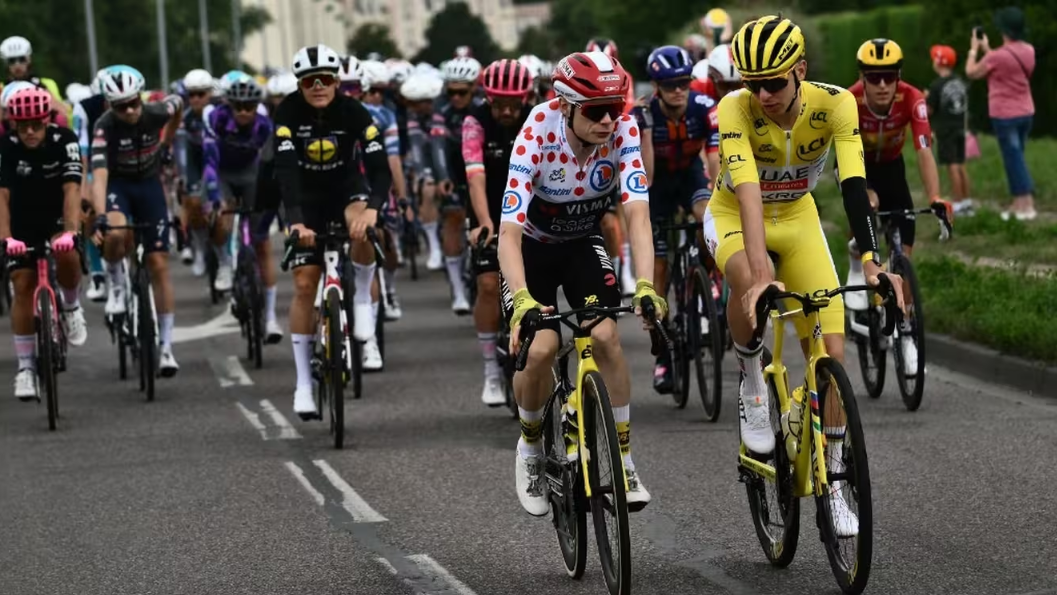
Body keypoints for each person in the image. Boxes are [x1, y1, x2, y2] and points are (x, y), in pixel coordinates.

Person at [704, 16, 906, 536]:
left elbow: (855, 184)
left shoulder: (836, 104)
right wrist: (761, 271)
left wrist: (871, 262)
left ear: (800, 69)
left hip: (798, 217)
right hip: (732, 215)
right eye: (753, 83)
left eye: (774, 82)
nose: (763, 95)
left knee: (832, 354)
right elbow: (747, 192)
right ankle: (750, 378)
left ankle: (836, 484)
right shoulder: (734, 108)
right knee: (748, 276)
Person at [500, 51, 665, 516]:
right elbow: (507, 233)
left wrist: (646, 283)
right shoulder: (537, 129)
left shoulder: (624, 130)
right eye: (596, 111)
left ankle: (625, 460)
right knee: (541, 349)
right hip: (531, 248)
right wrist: (522, 301)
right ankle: (531, 445)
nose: (610, 120)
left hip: (582, 241)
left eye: (617, 108)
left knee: (607, 335)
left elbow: (636, 213)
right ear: (566, 105)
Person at [273, 44, 392, 416]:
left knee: (361, 228)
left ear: (337, 81)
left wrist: (372, 210)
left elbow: (380, 168)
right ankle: (303, 386)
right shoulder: (288, 111)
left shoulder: (353, 111)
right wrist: (295, 220)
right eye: (310, 81)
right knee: (305, 284)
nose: (318, 86)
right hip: (304, 199)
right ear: (300, 85)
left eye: (325, 79)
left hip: (346, 190)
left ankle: (360, 302)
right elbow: (286, 170)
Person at [635, 45, 718, 393]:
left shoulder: (704, 108)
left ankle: (707, 275)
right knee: (657, 275)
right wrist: (644, 128)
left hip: (689, 177)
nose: (678, 90)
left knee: (709, 216)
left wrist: (714, 191)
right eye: (669, 85)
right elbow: (647, 176)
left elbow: (714, 160)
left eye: (683, 82)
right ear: (657, 86)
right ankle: (664, 355)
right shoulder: (644, 113)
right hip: (656, 189)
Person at [91, 66, 184, 377]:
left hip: (149, 186)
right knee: (116, 232)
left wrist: (166, 144)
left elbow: (178, 105)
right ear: (109, 105)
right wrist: (101, 217)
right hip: (119, 186)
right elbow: (100, 177)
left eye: (133, 102)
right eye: (121, 106)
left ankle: (167, 347)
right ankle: (116, 283)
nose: (129, 110)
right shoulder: (104, 127)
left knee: (159, 263)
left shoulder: (156, 112)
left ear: (141, 97)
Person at [0, 88, 85, 399]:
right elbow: (2, 197)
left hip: (57, 215)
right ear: (13, 125)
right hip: (21, 219)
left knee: (69, 256)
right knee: (21, 283)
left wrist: (71, 232)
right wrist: (6, 238)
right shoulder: (5, 147)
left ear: (47, 120)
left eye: (36, 124)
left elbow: (72, 189)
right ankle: (25, 368)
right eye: (23, 127)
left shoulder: (65, 140)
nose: (31, 132)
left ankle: (72, 306)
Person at [463, 58, 535, 407]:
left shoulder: (537, 117)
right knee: (489, 284)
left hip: (530, 209)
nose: (507, 110)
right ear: (487, 98)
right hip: (487, 206)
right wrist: (484, 221)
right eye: (499, 103)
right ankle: (492, 368)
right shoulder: (475, 122)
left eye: (514, 103)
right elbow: (475, 175)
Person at [202, 73, 283, 343]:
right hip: (223, 174)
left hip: (251, 175)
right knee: (222, 221)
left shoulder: (264, 125)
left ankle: (270, 317)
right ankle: (225, 264)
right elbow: (210, 163)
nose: (244, 112)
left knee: (261, 245)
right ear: (229, 105)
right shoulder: (216, 119)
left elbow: (271, 166)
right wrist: (215, 198)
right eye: (238, 107)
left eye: (249, 107)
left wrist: (275, 202)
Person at [965, 7, 1036, 220]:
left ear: (1004, 30)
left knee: (1013, 160)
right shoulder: (1029, 50)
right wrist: (989, 50)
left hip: (1004, 115)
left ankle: (1027, 206)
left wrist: (974, 48)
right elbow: (1006, 65)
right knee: (1017, 158)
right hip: (1026, 111)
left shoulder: (996, 57)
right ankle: (1017, 203)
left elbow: (972, 71)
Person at [585, 38, 637, 296]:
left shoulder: (623, 77)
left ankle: (623, 272)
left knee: (619, 213)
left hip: (614, 143)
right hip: (589, 147)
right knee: (605, 219)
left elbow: (624, 112)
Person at [359, 59, 409, 323]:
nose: (378, 97)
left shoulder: (387, 116)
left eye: (382, 91)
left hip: (379, 184)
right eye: (373, 91)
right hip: (355, 184)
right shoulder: (353, 112)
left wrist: (402, 196)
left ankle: (388, 290)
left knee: (387, 242)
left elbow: (393, 160)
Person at [436, 57, 484, 315]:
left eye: (461, 92)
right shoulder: (441, 112)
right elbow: (436, 147)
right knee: (453, 218)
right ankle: (457, 289)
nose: (455, 97)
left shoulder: (482, 109)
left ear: (474, 88)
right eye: (450, 91)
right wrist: (442, 177)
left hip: (481, 171)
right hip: (453, 172)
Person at [173, 68, 215, 277]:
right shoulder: (186, 118)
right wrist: (182, 178)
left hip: (216, 160)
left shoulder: (220, 114)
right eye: (191, 95)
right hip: (195, 160)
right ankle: (199, 249)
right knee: (193, 204)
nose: (196, 99)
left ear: (210, 94)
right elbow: (182, 151)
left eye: (201, 94)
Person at [927, 45, 973, 215]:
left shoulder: (937, 85)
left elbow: (929, 109)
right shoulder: (959, 81)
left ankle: (958, 203)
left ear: (939, 62)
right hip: (960, 127)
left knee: (952, 165)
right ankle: (967, 201)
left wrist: (925, 98)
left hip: (945, 130)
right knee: (961, 164)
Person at [1, 36, 63, 105]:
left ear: (29, 60)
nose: (17, 65)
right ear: (5, 63)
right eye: (11, 61)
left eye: (22, 59)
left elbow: (64, 113)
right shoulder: (1, 89)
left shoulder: (48, 84)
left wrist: (42, 88)